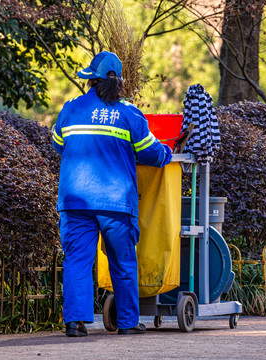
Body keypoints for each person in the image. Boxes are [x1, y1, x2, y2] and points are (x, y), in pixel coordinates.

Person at [52, 51, 172, 337]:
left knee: (77, 260)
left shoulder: (70, 108)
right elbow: (149, 152)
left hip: (75, 200)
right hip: (115, 202)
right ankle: (128, 323)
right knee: (122, 260)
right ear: (119, 82)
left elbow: (59, 145)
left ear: (91, 80)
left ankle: (75, 323)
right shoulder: (128, 113)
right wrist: (168, 152)